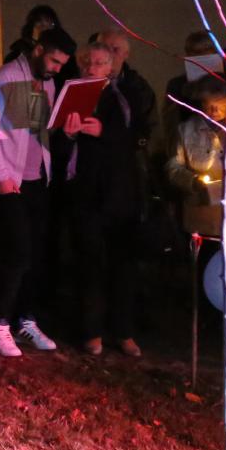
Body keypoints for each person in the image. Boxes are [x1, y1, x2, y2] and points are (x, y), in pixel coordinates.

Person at [0, 25, 77, 357]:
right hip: (12, 180)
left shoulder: (49, 83)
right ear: (38, 50)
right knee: (17, 253)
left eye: (62, 64)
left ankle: (25, 319)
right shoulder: (7, 77)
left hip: (38, 178)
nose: (56, 68)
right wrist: (1, 175)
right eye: (54, 60)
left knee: (34, 255)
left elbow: (39, 130)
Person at [61, 40, 148, 357]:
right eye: (87, 63)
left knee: (122, 268)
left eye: (98, 63)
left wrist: (103, 132)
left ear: (112, 67)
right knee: (90, 265)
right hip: (86, 193)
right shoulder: (73, 94)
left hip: (119, 194)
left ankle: (123, 332)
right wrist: (69, 133)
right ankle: (92, 332)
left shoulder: (126, 96)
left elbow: (138, 136)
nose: (92, 68)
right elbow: (59, 137)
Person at [165, 77, 226, 240]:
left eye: (219, 103)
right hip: (203, 220)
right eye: (207, 104)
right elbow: (174, 168)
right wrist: (193, 182)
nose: (214, 110)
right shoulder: (186, 130)